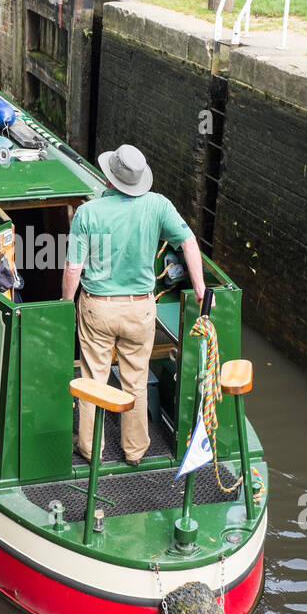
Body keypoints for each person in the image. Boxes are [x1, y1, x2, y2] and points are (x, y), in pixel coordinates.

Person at [62, 143, 207, 466]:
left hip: (98, 307)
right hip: (140, 309)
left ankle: (90, 447)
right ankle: (135, 450)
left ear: (110, 179)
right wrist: (198, 286)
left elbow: (74, 268)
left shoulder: (88, 213)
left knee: (92, 379)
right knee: (135, 380)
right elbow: (188, 241)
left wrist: (63, 304)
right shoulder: (158, 205)